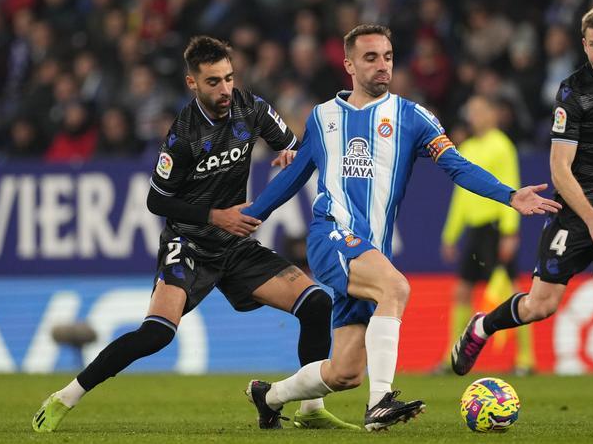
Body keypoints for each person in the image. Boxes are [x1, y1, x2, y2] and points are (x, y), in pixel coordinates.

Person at [240, 24, 561, 431]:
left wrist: (509, 196)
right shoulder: (323, 118)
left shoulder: (414, 118)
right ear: (349, 64)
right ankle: (380, 404)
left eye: (388, 57)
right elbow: (295, 174)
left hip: (371, 251)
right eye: (371, 58)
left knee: (344, 372)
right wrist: (253, 214)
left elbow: (456, 166)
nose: (382, 65)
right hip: (331, 235)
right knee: (397, 288)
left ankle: (267, 396)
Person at [32, 36, 356, 432]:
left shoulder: (250, 108)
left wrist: (291, 153)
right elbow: (156, 200)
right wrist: (216, 216)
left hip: (234, 244)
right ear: (192, 83)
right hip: (187, 243)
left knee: (317, 303)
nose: (225, 90)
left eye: (228, 78)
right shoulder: (183, 136)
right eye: (213, 82)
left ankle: (309, 409)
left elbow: (293, 145)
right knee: (156, 334)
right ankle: (66, 396)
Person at [450, 5, 593, 425]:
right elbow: (559, 171)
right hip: (578, 212)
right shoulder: (573, 92)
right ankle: (482, 327)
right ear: (584, 45)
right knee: (541, 306)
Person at [438, 94, 534, 375]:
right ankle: (449, 356)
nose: (476, 116)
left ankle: (526, 359)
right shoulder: (465, 146)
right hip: (474, 230)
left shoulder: (501, 145)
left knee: (511, 291)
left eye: (481, 111)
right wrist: (451, 234)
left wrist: (509, 232)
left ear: (493, 115)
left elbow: (511, 187)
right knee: (462, 291)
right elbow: (460, 196)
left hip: (495, 228)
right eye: (473, 111)